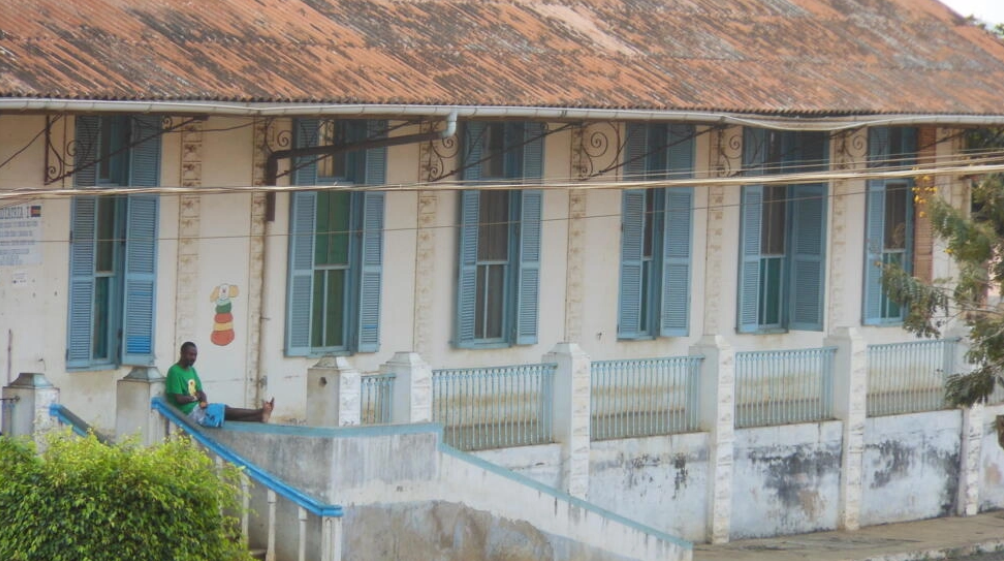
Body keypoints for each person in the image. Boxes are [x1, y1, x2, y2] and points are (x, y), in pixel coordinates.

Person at [166, 341, 274, 426]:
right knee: (224, 411)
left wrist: (204, 401)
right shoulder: (174, 371)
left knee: (226, 414)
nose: (193, 358)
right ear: (182, 353)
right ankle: (260, 411)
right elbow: (179, 399)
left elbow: (200, 392)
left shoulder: (192, 370)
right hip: (188, 413)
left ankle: (260, 417)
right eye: (190, 354)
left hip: (198, 408)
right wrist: (195, 398)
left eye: (195, 355)